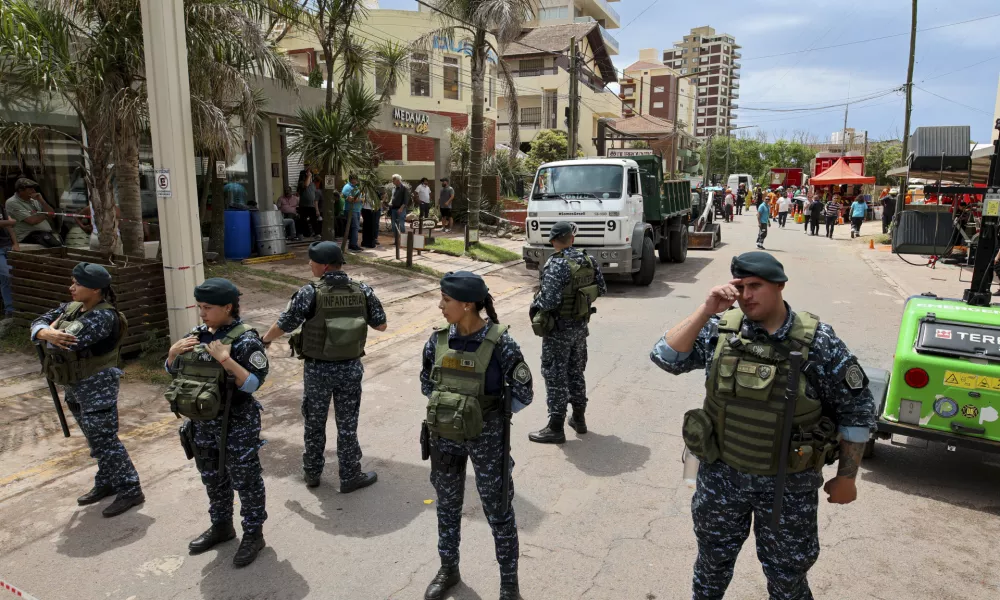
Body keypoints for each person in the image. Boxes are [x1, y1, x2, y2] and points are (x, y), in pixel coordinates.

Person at [650, 251, 875, 600]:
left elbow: (857, 408)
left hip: (788, 486)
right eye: (740, 286)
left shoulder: (817, 341)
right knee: (711, 566)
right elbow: (665, 357)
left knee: (788, 578)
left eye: (756, 286)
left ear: (780, 285)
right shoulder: (721, 329)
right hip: (721, 479)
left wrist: (847, 477)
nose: (747, 295)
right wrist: (706, 310)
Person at [419, 271, 533, 600]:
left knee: (498, 511)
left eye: (446, 300)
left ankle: (509, 585)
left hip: (488, 440)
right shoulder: (438, 340)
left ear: (468, 305)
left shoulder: (502, 344)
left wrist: (485, 413)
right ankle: (448, 569)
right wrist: (456, 408)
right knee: (447, 506)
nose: (440, 306)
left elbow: (524, 393)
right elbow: (428, 383)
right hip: (445, 436)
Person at [261, 242, 386, 490]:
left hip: (318, 369)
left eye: (312, 261)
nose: (309, 264)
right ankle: (350, 475)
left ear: (325, 265)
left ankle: (312, 473)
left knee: (314, 423)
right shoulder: (363, 290)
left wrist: (264, 340)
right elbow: (381, 325)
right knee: (347, 424)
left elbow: (285, 324)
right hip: (350, 368)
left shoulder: (310, 292)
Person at [165, 278, 269, 567]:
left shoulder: (246, 340)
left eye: (207, 307)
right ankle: (222, 525)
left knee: (246, 482)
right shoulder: (198, 335)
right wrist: (172, 355)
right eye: (199, 306)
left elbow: (252, 384)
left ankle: (253, 534)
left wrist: (227, 361)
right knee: (212, 477)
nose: (202, 313)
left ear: (227, 307)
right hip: (202, 423)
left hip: (236, 423)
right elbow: (177, 373)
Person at [32, 263, 143, 517]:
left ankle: (129, 488)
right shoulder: (72, 308)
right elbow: (38, 323)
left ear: (95, 289)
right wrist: (45, 331)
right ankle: (107, 479)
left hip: (97, 386)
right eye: (72, 282)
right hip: (74, 385)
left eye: (77, 284)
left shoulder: (103, 316)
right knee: (94, 438)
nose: (71, 288)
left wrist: (48, 333)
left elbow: (66, 342)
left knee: (104, 439)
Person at [527, 221, 607, 444]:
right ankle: (579, 419)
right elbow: (600, 289)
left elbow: (549, 300)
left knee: (554, 375)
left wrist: (536, 300)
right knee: (575, 371)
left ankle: (555, 427)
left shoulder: (556, 263)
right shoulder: (588, 259)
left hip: (558, 331)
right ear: (571, 238)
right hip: (580, 327)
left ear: (553, 241)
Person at [7, 177, 62, 247]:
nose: (34, 191)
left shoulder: (34, 200)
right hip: (29, 234)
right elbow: (32, 221)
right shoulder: (12, 202)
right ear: (20, 190)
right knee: (56, 246)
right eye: (30, 189)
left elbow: (52, 214)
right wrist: (47, 215)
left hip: (44, 232)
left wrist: (41, 200)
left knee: (59, 244)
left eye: (33, 189)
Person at [0, 196, 19, 323]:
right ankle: (10, 309)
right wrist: (10, 222)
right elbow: (9, 223)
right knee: (8, 275)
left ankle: (11, 310)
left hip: (7, 246)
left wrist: (15, 243)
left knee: (7, 279)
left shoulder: (1, 206)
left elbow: (9, 226)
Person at [342, 174, 363, 251]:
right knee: (355, 227)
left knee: (354, 228)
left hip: (357, 210)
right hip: (351, 210)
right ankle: (353, 245)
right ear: (352, 179)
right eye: (355, 179)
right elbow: (350, 199)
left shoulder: (356, 187)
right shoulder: (347, 187)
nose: (356, 180)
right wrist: (361, 200)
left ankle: (352, 244)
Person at [297, 172, 320, 239]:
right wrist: (309, 175)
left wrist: (316, 208)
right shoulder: (301, 183)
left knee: (314, 221)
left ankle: (316, 233)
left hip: (311, 205)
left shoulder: (313, 184)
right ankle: (302, 234)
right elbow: (306, 185)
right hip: (303, 206)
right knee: (302, 220)